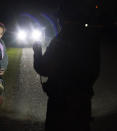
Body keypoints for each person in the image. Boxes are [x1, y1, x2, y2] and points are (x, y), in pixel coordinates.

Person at [33, 1, 100, 131]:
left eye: (59, 18)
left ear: (63, 18)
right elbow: (95, 71)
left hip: (60, 105)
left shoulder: (60, 40)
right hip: (82, 103)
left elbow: (43, 69)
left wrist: (37, 51)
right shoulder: (91, 40)